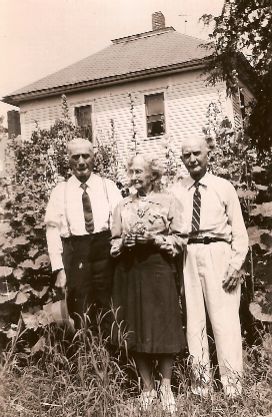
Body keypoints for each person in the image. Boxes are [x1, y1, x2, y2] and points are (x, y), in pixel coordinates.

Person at [110, 154, 188, 413]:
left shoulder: (169, 202)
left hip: (159, 267)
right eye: (131, 171)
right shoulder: (122, 206)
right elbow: (114, 242)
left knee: (163, 325)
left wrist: (155, 240)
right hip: (131, 270)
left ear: (152, 174)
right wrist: (124, 243)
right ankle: (147, 386)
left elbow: (180, 238)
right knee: (136, 324)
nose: (133, 177)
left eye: (138, 172)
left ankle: (165, 386)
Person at [178, 135, 249, 398]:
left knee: (225, 321)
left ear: (208, 154)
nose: (192, 159)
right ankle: (201, 388)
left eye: (197, 153)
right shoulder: (178, 190)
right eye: (187, 155)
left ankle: (233, 388)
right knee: (194, 323)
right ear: (182, 159)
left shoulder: (223, 187)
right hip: (188, 254)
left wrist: (235, 264)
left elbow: (239, 232)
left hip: (219, 253)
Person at [45, 138, 122, 332]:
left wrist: (118, 244)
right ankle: (86, 358)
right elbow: (52, 231)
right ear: (68, 160)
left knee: (110, 308)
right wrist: (59, 269)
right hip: (76, 255)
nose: (81, 162)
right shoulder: (59, 192)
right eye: (75, 157)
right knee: (81, 311)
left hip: (106, 253)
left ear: (93, 158)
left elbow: (121, 220)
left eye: (85, 156)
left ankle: (113, 357)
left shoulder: (108, 187)